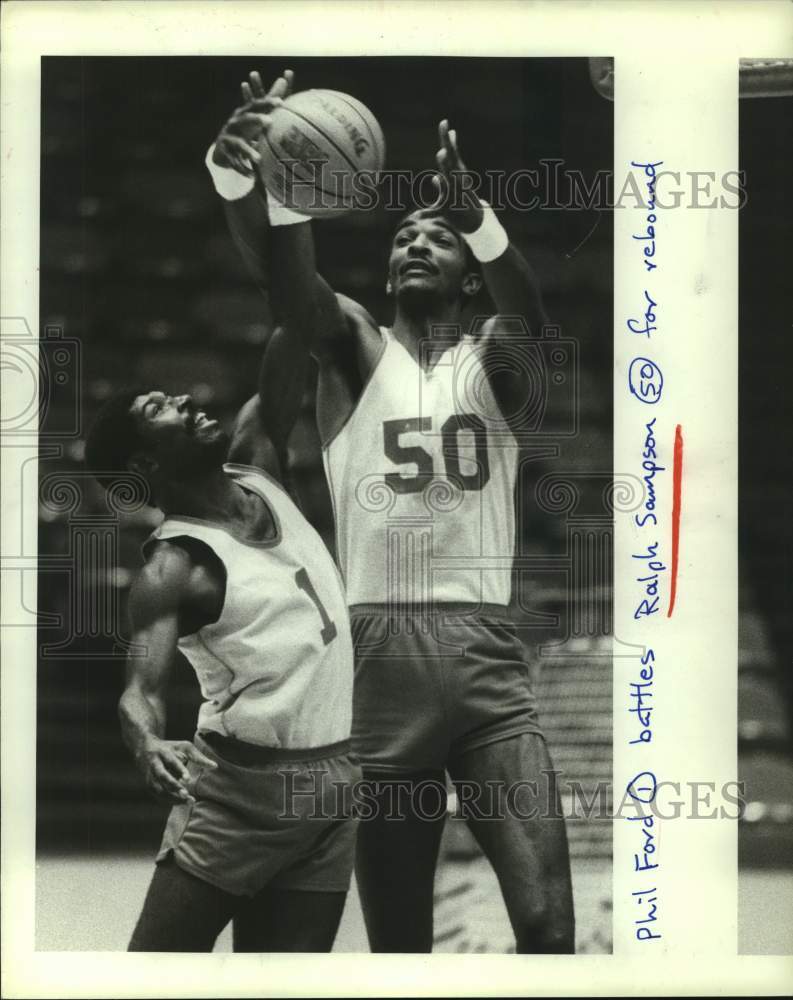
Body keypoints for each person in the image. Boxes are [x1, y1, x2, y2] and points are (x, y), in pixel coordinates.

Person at [207, 69, 574, 953]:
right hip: (376, 660)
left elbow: (526, 305)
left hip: (486, 661)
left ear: (468, 274)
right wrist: (256, 184)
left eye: (437, 238)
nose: (415, 243)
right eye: (404, 235)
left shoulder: (495, 358)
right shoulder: (352, 349)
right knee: (400, 938)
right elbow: (289, 291)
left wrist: (479, 217)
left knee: (545, 923)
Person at [85, 84, 359, 946]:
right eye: (157, 409)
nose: (182, 398)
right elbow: (139, 690)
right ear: (143, 463)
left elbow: (298, 317)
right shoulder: (178, 562)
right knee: (156, 972)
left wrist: (272, 188)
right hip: (238, 793)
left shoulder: (262, 456)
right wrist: (145, 743)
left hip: (333, 787)